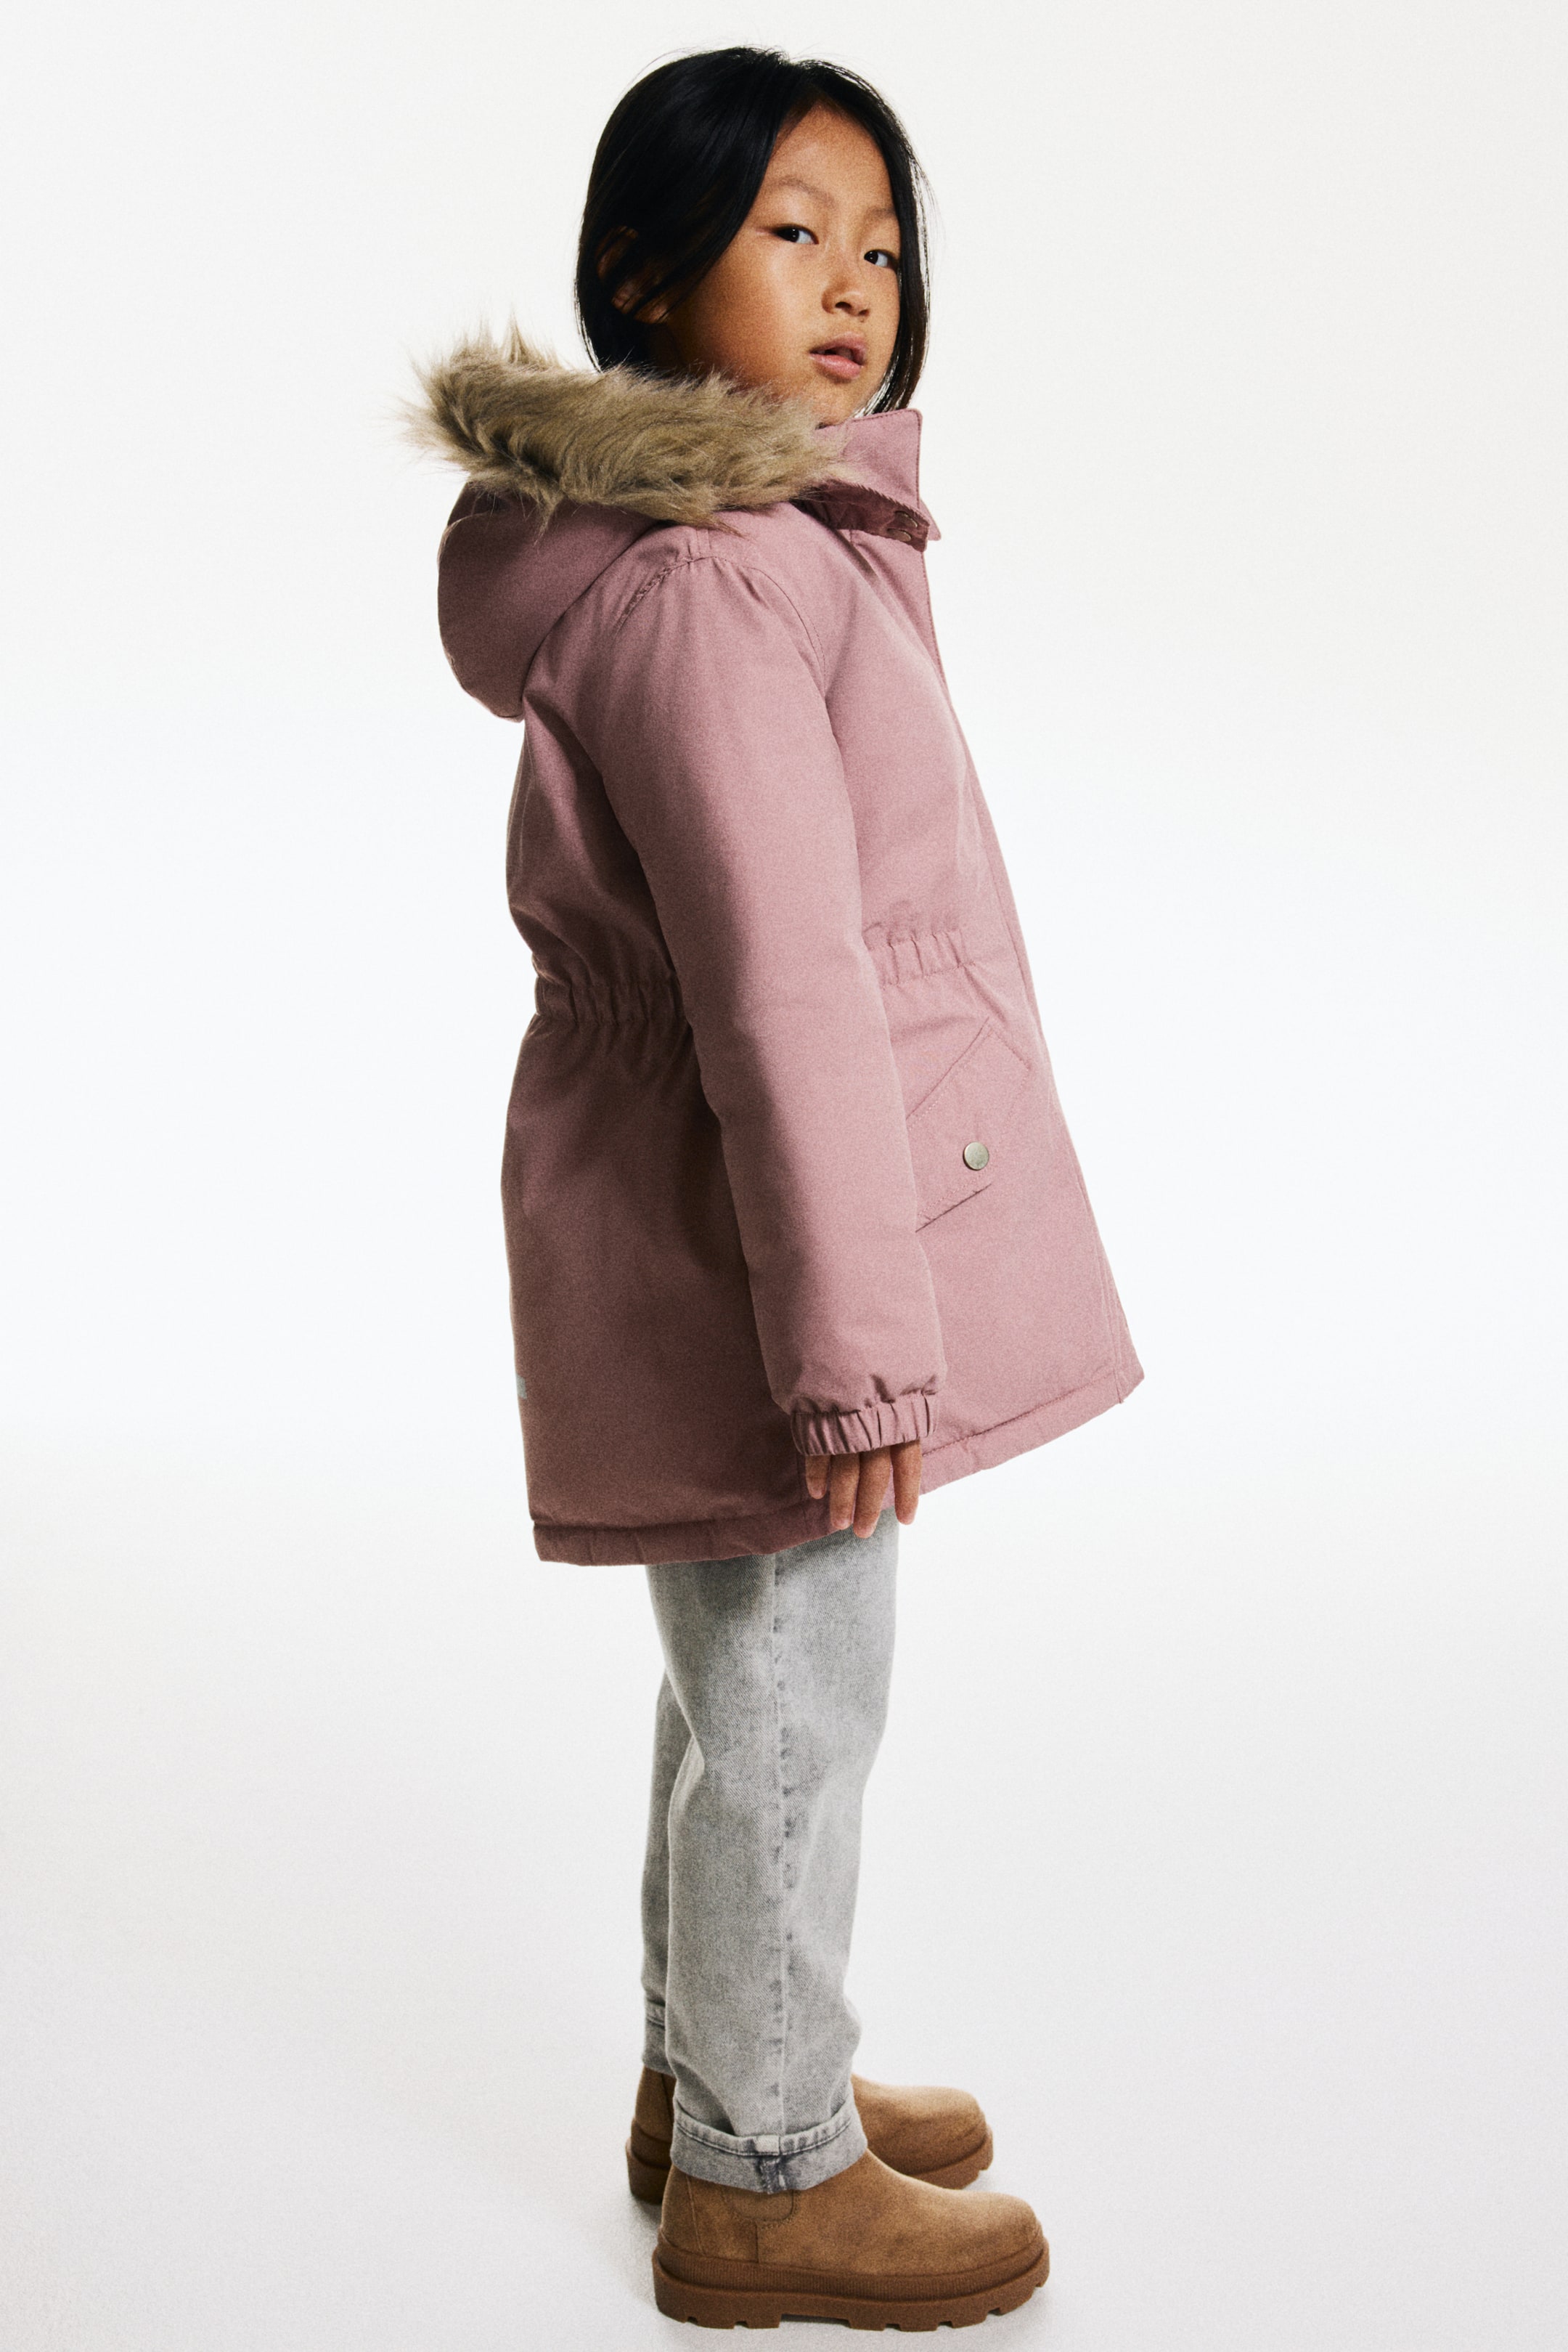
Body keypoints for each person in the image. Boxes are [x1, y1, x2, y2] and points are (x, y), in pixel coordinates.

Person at [411, 44, 1141, 2330]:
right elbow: (783, 990)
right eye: (793, 233)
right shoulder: (717, 592)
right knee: (801, 1702)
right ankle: (764, 2174)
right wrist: (857, 1352)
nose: (854, 286)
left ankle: (722, 2070)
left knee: (745, 1683)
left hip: (730, 1222)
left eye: (884, 245)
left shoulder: (756, 551)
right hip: (767, 1254)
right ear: (645, 274)